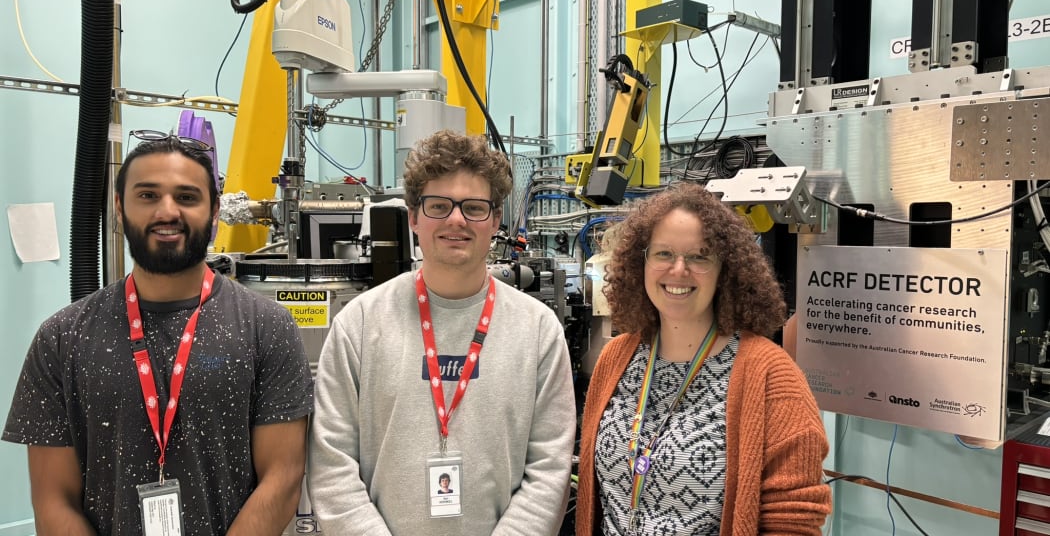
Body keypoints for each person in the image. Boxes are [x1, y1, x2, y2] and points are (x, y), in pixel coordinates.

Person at [3, 132, 313, 535]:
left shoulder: (266, 327)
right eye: (147, 195)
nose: (168, 211)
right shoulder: (62, 338)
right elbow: (52, 499)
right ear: (119, 207)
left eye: (187, 197)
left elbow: (283, 478)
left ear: (215, 210)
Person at [308, 129, 576, 535]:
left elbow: (549, 469)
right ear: (414, 217)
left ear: (496, 220)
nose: (456, 220)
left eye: (473, 207)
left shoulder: (538, 330)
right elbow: (332, 464)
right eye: (438, 206)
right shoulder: (360, 324)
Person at [576, 183, 831, 535]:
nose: (679, 270)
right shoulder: (616, 357)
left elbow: (793, 520)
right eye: (663, 254)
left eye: (699, 256)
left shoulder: (771, 375)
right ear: (641, 262)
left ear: (725, 270)